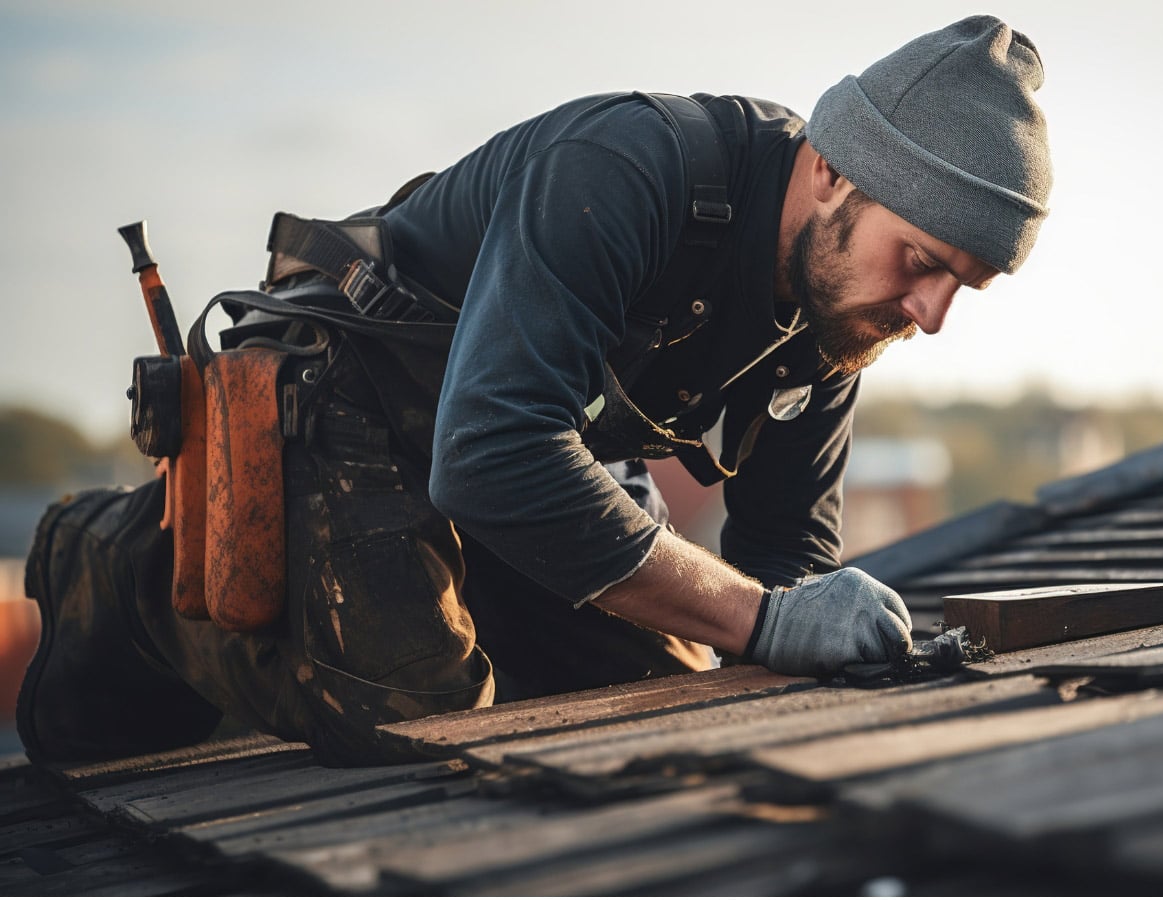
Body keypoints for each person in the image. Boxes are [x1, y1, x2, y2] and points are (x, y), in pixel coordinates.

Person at [19, 15, 1052, 765]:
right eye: (919, 261)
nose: (928, 314)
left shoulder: (836, 314)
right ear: (832, 171)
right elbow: (493, 455)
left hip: (528, 463)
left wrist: (814, 645)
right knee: (419, 722)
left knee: (660, 710)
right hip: (355, 405)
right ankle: (116, 565)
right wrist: (759, 621)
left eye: (963, 284)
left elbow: (784, 571)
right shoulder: (630, 166)